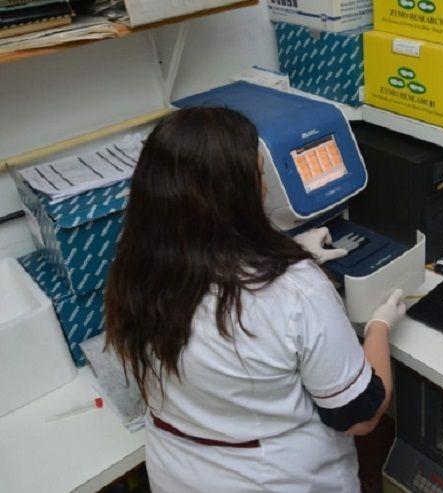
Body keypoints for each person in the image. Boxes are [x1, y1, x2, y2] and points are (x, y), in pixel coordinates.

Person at [104, 107, 405, 492]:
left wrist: (286, 253)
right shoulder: (298, 291)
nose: (265, 188)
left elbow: (213, 284)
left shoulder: (136, 269)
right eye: (260, 176)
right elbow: (361, 417)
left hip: (178, 477)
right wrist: (378, 327)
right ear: (235, 197)